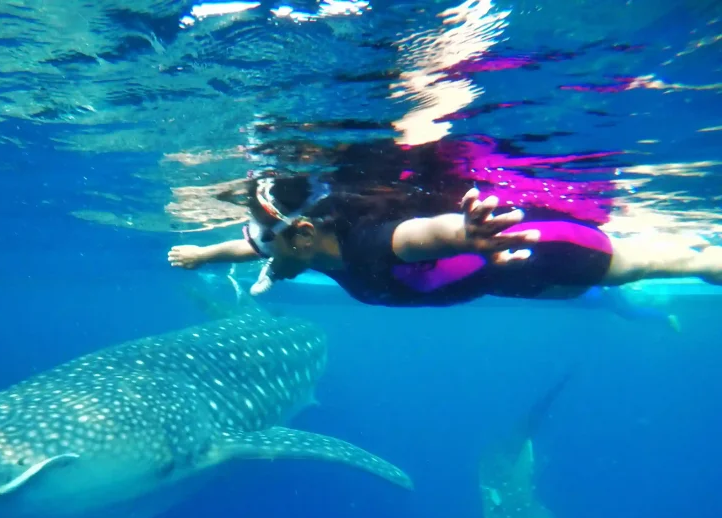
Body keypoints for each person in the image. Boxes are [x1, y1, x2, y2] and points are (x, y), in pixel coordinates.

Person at [167, 175, 722, 308]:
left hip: (540, 244)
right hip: (508, 275)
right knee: (568, 294)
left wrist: (466, 234)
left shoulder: (373, 242)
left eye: (265, 234)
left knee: (637, 265)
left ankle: (709, 257)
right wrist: (202, 255)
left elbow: (420, 237)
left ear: (304, 234)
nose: (254, 243)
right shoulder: (308, 247)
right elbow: (252, 249)